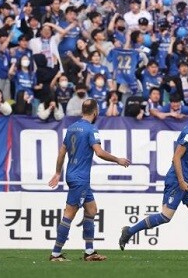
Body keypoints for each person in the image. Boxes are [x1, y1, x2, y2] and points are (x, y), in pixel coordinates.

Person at [118, 99, 188, 261]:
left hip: (187, 180)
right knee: (165, 216)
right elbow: (176, 158)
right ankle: (129, 231)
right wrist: (180, 180)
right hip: (177, 180)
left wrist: (186, 180)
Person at [48, 99, 130, 262]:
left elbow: (62, 152)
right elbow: (99, 152)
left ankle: (90, 252)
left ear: (81, 111)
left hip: (73, 176)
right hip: (80, 179)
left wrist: (58, 172)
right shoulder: (91, 129)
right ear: (95, 111)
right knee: (69, 214)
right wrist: (117, 160)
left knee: (91, 210)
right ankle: (55, 254)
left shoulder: (72, 128)